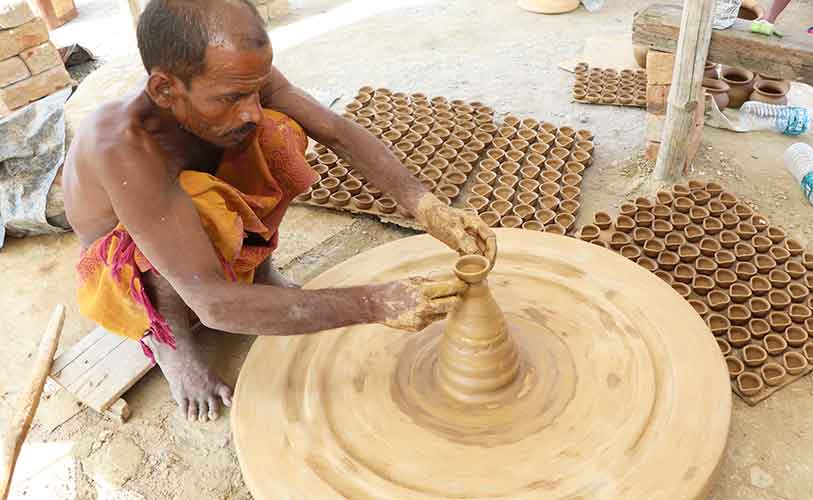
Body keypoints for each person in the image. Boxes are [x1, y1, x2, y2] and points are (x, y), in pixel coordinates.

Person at [62, 0, 496, 423]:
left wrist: (425, 205)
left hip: (185, 211)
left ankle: (259, 272)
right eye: (232, 96)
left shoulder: (236, 76)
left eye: (255, 87)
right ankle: (170, 342)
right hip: (126, 263)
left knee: (277, 135)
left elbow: (336, 131)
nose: (251, 106)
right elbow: (212, 304)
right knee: (201, 208)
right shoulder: (123, 147)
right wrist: (375, 303)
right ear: (163, 89)